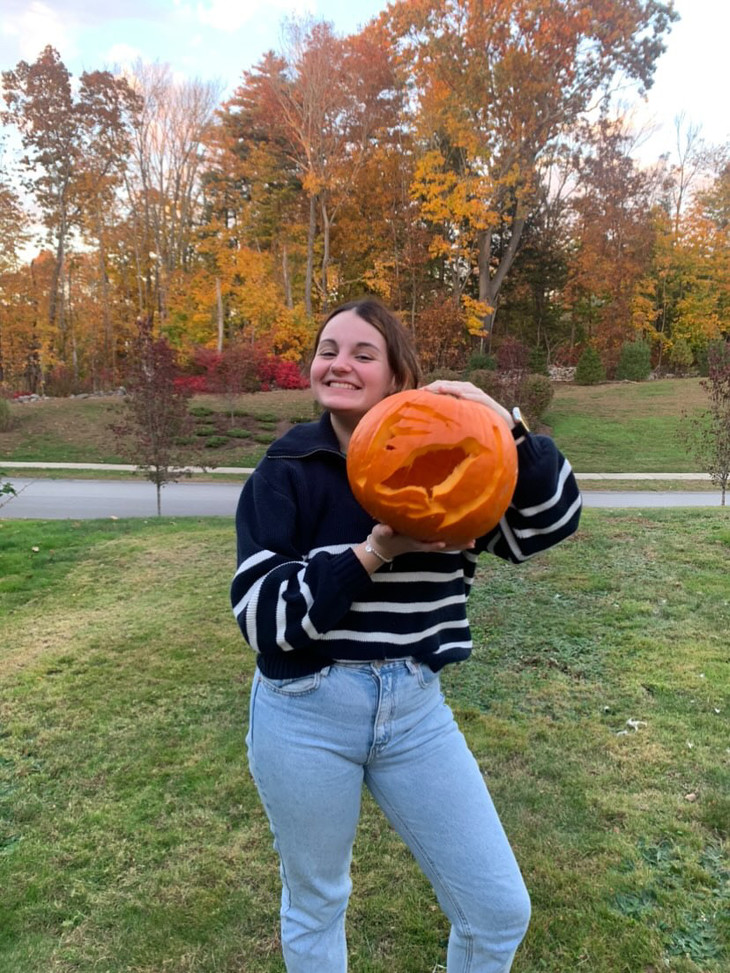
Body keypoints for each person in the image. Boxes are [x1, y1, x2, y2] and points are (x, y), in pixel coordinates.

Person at [231, 298, 582, 973]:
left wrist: (504, 422)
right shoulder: (288, 470)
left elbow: (551, 521)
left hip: (416, 709)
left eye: (364, 353)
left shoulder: (461, 458)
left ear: (398, 377)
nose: (340, 363)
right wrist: (373, 553)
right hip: (305, 708)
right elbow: (261, 616)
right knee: (317, 901)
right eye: (329, 349)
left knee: (497, 907)